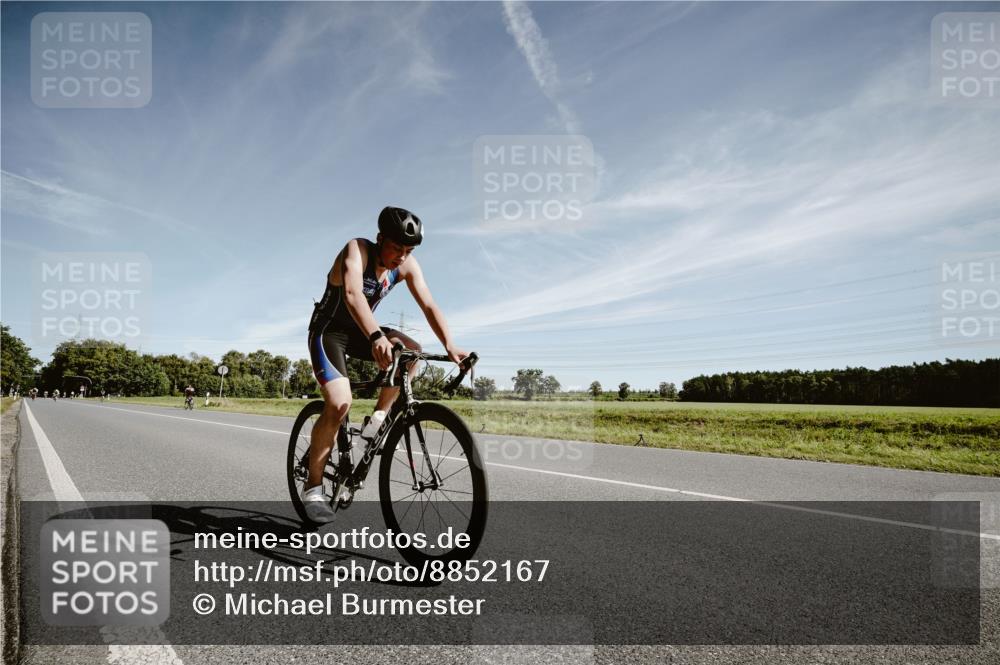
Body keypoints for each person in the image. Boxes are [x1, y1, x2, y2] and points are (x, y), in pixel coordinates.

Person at [303, 206, 468, 522]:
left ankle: (377, 418)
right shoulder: (358, 250)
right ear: (380, 239)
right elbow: (352, 295)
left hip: (363, 331)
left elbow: (429, 303)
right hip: (329, 331)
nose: (402, 256)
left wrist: (449, 343)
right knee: (339, 404)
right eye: (396, 248)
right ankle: (312, 489)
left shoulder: (406, 264)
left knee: (411, 353)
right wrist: (377, 334)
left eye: (409, 250)